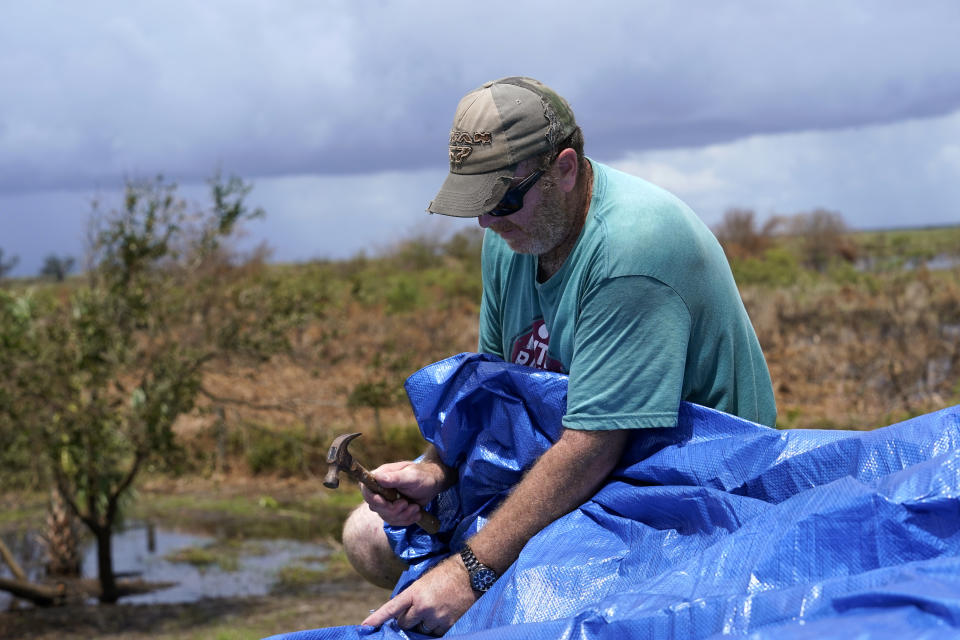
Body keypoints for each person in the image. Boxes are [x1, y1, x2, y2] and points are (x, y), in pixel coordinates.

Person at [350, 76, 777, 635]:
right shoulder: (513, 238)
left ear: (566, 168)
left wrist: (469, 572)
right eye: (475, 203)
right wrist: (435, 469)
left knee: (511, 601)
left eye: (501, 200)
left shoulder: (632, 251)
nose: (487, 222)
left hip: (687, 488)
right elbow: (497, 396)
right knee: (365, 535)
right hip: (586, 469)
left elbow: (594, 446)